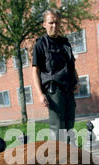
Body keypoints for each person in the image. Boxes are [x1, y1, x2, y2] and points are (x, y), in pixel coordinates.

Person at [32, 8, 79, 143]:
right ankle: (58, 160)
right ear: (44, 24)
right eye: (51, 22)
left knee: (69, 126)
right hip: (54, 91)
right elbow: (35, 70)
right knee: (58, 129)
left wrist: (77, 81)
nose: (54, 26)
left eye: (57, 23)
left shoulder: (65, 43)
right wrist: (40, 94)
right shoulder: (41, 44)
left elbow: (72, 65)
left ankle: (69, 159)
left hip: (69, 90)